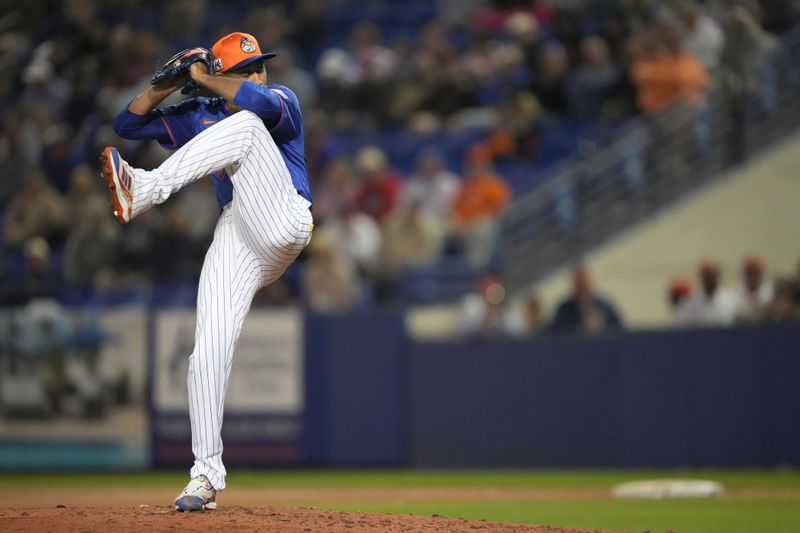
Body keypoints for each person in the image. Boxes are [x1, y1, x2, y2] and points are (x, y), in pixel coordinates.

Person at [100, 32, 313, 512]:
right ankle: (205, 476)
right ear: (224, 76)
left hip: (284, 219)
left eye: (258, 66)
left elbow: (257, 102)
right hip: (238, 231)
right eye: (245, 69)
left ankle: (146, 189)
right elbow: (126, 126)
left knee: (249, 128)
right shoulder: (203, 115)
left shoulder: (281, 99)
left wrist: (203, 78)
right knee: (206, 353)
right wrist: (164, 86)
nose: (257, 74)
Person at [549, 266, 623, 335]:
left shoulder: (605, 306)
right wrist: (579, 328)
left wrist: (602, 327)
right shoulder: (564, 310)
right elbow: (556, 333)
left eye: (584, 283)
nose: (582, 287)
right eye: (578, 283)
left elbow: (619, 330)